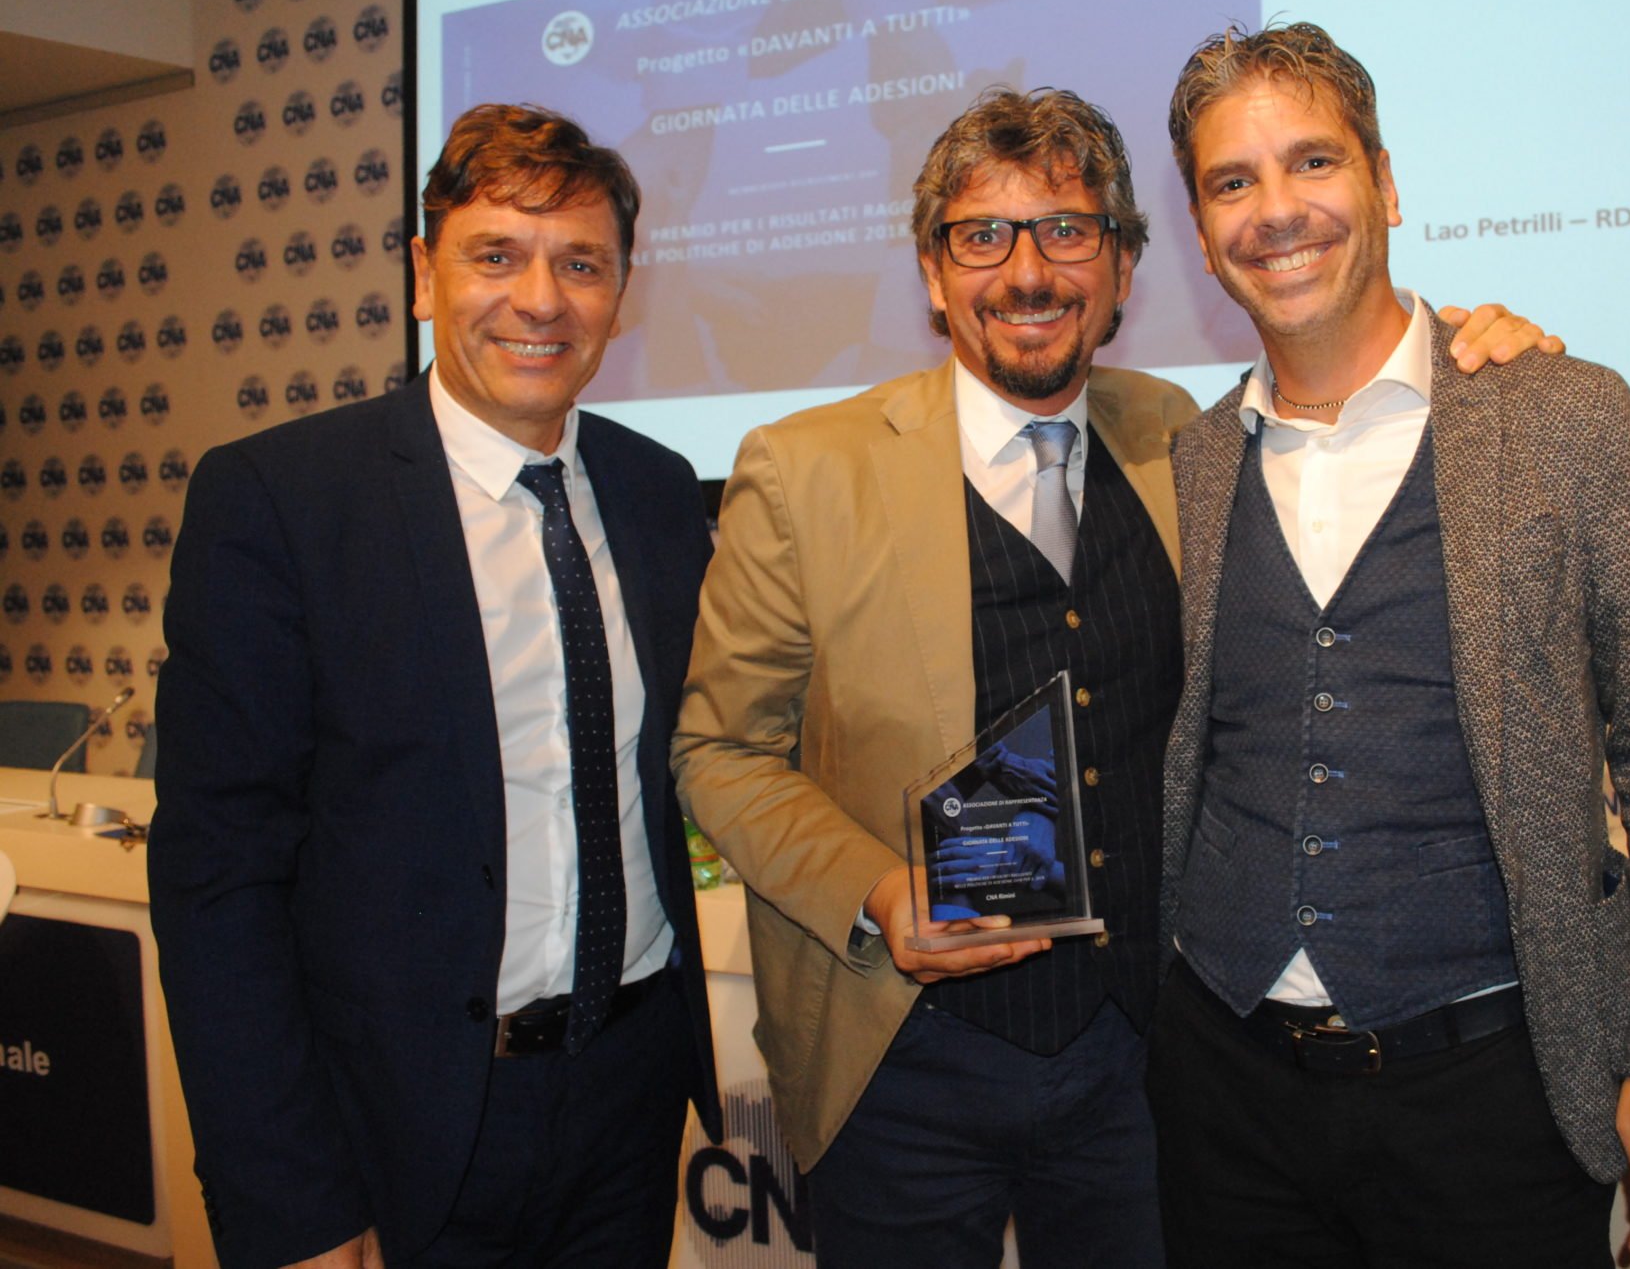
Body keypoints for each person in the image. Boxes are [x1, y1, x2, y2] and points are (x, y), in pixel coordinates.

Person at [672, 85, 1557, 1268]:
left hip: (1145, 1062)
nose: (1026, 272)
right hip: (901, 1060)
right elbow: (719, 752)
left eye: (1066, 230)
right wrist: (879, 893)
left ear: (1123, 266)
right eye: (981, 236)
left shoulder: (1183, 437)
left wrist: (1483, 354)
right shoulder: (803, 470)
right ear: (932, 274)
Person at [1148, 21, 1630, 1268]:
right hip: (1225, 1095)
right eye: (1231, 182)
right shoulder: (1196, 456)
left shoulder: (1562, 416)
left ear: (1383, 182)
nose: (1276, 210)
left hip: (1492, 1097)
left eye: (1312, 162)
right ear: (1202, 237)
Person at [149, 104, 721, 1269]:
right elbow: (218, 883)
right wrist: (290, 1201)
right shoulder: (281, 503)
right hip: (397, 1123)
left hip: (628, 1098)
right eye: (495, 256)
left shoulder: (661, 492)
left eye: (581, 264)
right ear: (423, 275)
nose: (540, 300)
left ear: (620, 292)